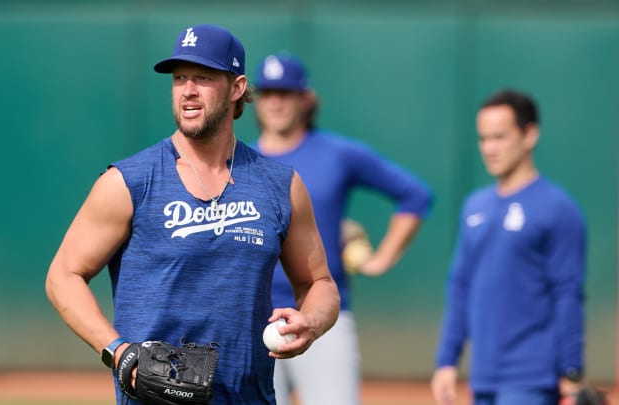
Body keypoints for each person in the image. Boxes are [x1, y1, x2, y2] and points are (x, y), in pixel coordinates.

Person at [45, 25, 340, 405]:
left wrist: (311, 322)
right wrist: (117, 351)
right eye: (179, 77)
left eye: (203, 77)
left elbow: (320, 283)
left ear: (237, 88)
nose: (187, 90)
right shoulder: (130, 182)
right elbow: (62, 276)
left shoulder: (280, 185)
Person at [251, 53, 433, 405]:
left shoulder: (337, 154)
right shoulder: (240, 160)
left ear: (306, 99)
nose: (275, 101)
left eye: (286, 92)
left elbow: (415, 195)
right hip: (255, 316)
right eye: (269, 92)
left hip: (323, 318)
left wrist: (379, 260)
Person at [431, 89, 587, 405]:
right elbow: (460, 285)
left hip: (531, 378)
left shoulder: (558, 208)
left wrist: (571, 370)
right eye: (483, 138)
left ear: (530, 134)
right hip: (484, 376)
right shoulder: (475, 205)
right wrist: (446, 361)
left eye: (500, 137)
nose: (489, 148)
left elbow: (567, 292)